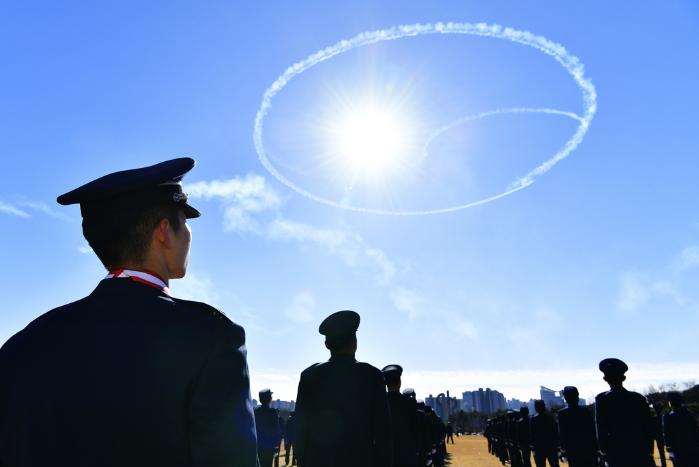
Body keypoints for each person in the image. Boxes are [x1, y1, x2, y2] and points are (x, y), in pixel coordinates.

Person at [0, 158, 258, 466]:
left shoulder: (24, 344)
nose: (189, 234)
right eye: (184, 220)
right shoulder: (211, 339)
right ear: (164, 231)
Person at [294, 310, 391, 467]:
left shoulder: (309, 376)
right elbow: (383, 433)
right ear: (355, 342)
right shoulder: (372, 376)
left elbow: (300, 429)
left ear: (327, 344)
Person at [595, 358, 654, 467]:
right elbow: (648, 426)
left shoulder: (602, 399)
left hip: (616, 452)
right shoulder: (638, 398)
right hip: (639, 449)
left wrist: (604, 451)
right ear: (624, 378)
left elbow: (601, 427)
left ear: (605, 379)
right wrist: (649, 450)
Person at [382, 364, 419, 467]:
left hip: (386, 454)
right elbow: (416, 429)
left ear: (385, 384)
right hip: (407, 454)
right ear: (400, 382)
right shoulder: (409, 402)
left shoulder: (380, 402)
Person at [557, 386, 597, 467]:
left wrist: (563, 450)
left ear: (565, 398)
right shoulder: (586, 410)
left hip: (572, 450)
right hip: (588, 448)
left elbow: (562, 433)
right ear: (577, 396)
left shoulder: (562, 414)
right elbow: (592, 430)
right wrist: (597, 448)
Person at [663, 392, 699, 467]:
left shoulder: (668, 417)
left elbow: (667, 434)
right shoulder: (690, 414)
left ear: (671, 402)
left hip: (678, 450)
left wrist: (669, 449)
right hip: (693, 448)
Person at [256, 389, 282, 467]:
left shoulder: (255, 412)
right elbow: (276, 430)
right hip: (269, 446)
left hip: (258, 446)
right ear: (269, 399)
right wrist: (277, 447)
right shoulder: (273, 412)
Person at [530, 400, 559, 467]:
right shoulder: (550, 417)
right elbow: (555, 432)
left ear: (536, 408)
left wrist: (533, 447)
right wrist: (557, 444)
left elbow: (532, 435)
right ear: (544, 407)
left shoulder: (533, 419)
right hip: (551, 446)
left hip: (539, 447)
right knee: (554, 464)